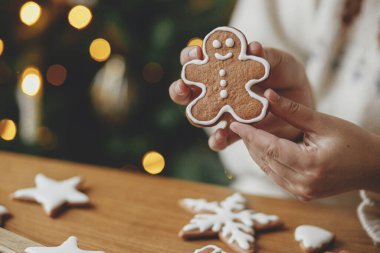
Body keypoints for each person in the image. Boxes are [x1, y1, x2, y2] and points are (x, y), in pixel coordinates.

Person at [169, 0, 380, 245]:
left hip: (360, 233)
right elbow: (229, 126)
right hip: (260, 199)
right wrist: (289, 127)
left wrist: (375, 168)